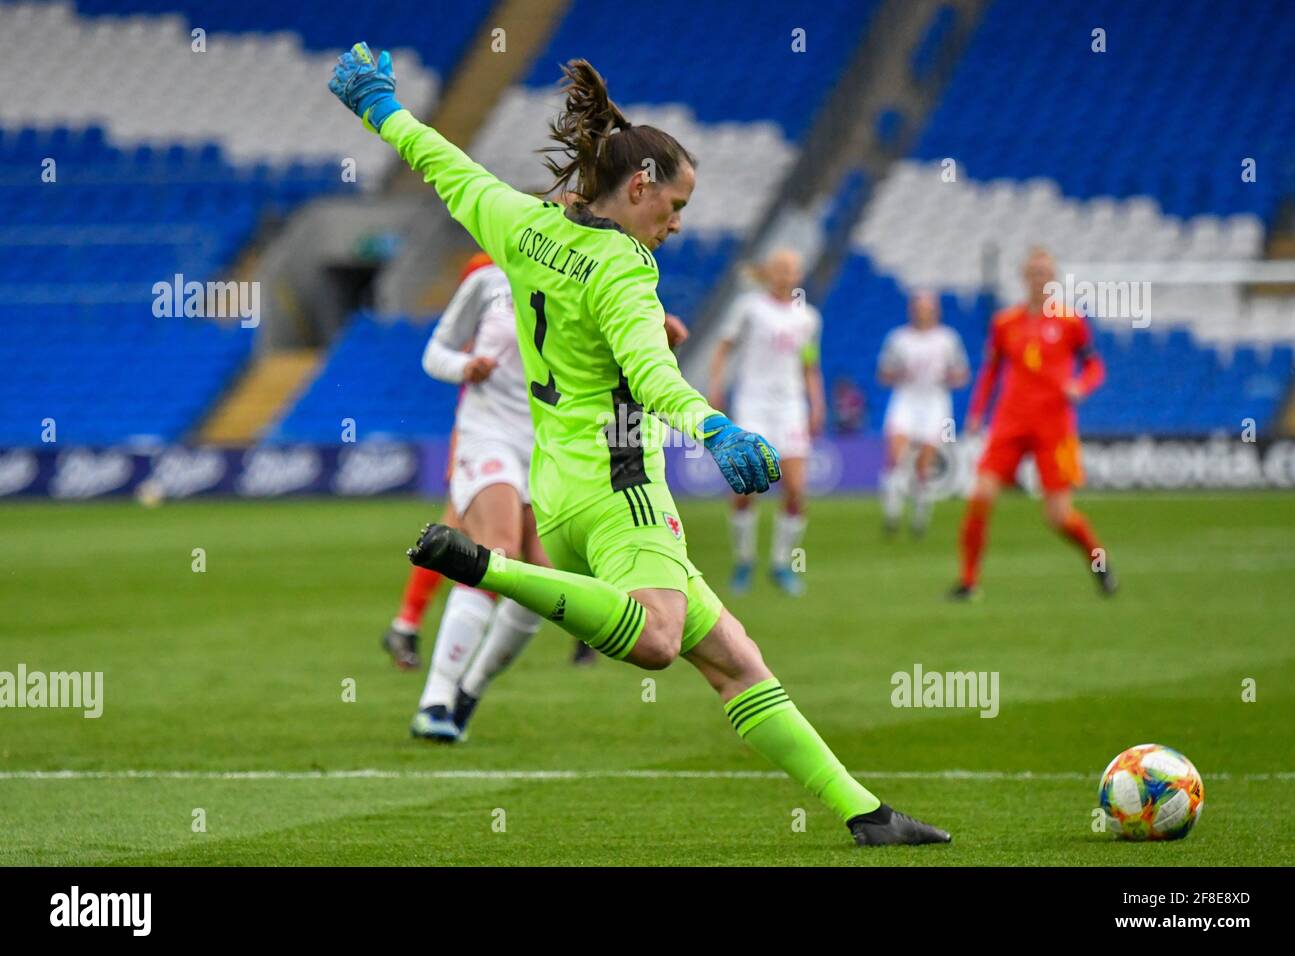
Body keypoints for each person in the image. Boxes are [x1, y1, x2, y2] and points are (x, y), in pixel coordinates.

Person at [330, 43, 948, 846]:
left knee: (735, 660)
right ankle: (484, 566)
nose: (678, 224)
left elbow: (447, 166)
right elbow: (656, 381)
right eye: (675, 205)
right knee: (658, 640)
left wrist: (381, 109)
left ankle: (865, 814)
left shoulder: (521, 224)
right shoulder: (624, 268)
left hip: (556, 493)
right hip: (623, 491)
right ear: (639, 185)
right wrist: (716, 428)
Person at [409, 251, 548, 741]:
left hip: (545, 445)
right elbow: (435, 352)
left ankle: (470, 689)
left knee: (542, 582)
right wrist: (467, 365)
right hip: (487, 434)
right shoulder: (488, 282)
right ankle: (435, 700)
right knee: (498, 552)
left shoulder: (576, 287)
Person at [952, 247, 1116, 599]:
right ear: (1024, 277)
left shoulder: (1070, 322)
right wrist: (977, 413)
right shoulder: (1005, 323)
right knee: (980, 495)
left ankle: (1100, 563)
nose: (1039, 279)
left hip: (1053, 427)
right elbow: (991, 371)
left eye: (1045, 272)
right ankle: (968, 582)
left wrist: (1081, 386)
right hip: (1009, 424)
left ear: (1053, 278)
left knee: (1058, 516)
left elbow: (1095, 366)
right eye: (1033, 272)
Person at [708, 250, 824, 596]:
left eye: (792, 270)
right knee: (746, 488)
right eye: (781, 269)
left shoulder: (808, 318)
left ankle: (781, 563)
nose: (786, 276)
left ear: (799, 275)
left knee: (796, 490)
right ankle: (744, 561)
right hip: (752, 405)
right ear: (770, 273)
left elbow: (808, 364)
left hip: (790, 408)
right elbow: (723, 348)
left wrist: (817, 402)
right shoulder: (748, 308)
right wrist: (716, 386)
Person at [876, 291, 969, 537]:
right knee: (895, 457)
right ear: (911, 310)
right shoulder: (898, 339)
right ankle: (892, 514)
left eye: (927, 308)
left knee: (924, 463)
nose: (923, 312)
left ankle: (919, 517)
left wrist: (948, 378)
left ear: (935, 311)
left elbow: (961, 375)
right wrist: (897, 374)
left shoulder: (948, 339)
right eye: (919, 307)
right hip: (906, 399)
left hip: (935, 402)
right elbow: (883, 374)